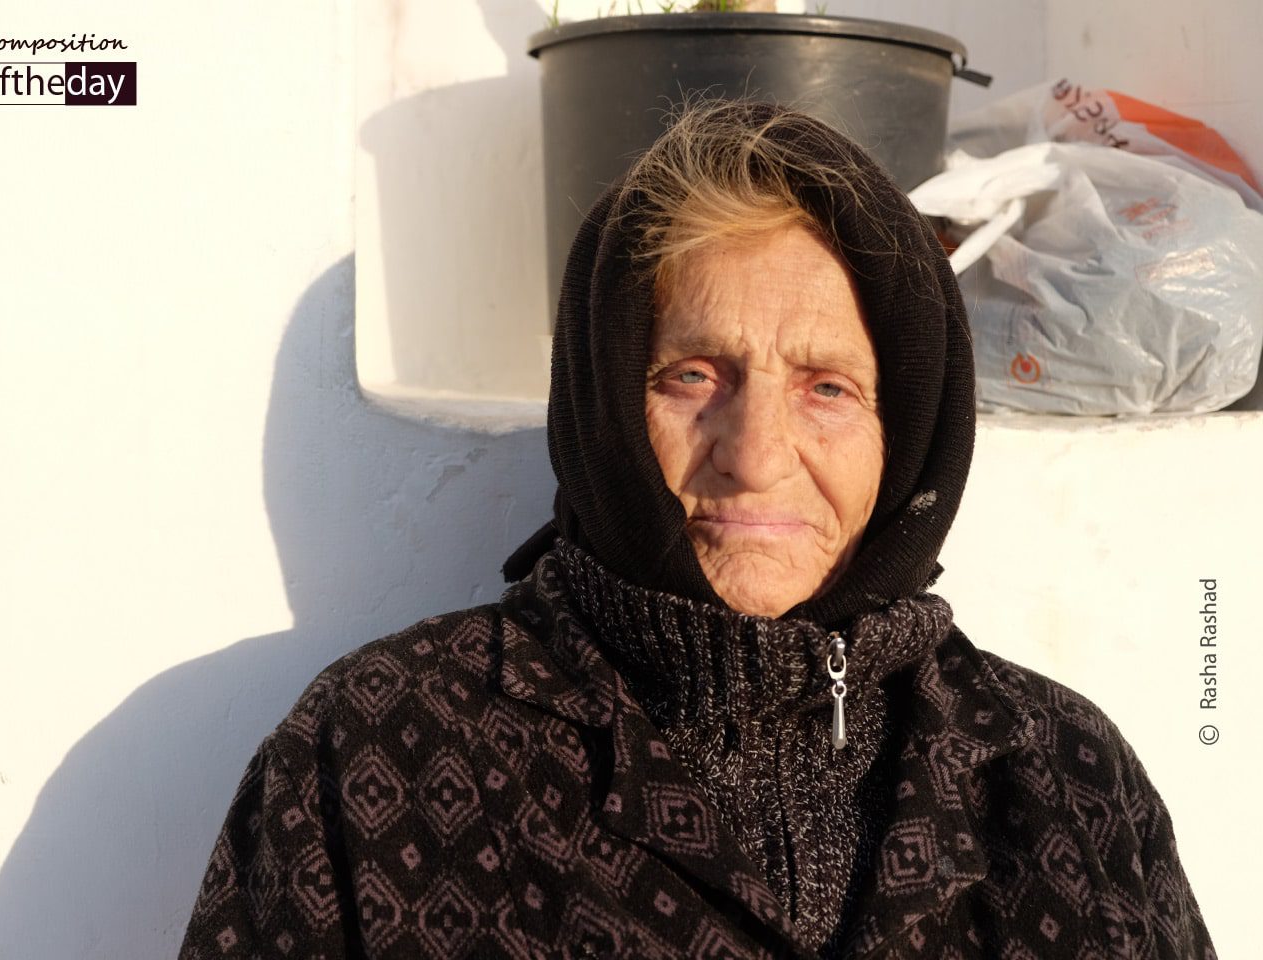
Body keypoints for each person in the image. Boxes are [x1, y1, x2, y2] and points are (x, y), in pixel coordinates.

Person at [178, 101, 1213, 959]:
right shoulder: (385, 751)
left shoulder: (1062, 775)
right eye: (693, 376)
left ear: (907, 433)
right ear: (604, 407)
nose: (754, 452)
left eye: (828, 388)